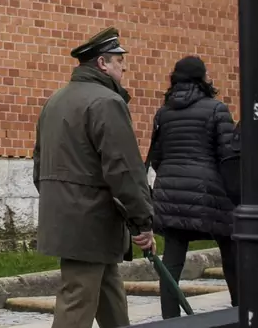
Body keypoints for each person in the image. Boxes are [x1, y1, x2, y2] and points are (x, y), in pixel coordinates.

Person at [34, 26, 156, 328]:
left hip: (71, 216)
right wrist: (142, 220)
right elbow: (125, 169)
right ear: (102, 63)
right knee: (77, 300)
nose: (124, 67)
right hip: (92, 219)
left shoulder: (56, 100)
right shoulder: (107, 102)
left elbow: (39, 165)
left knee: (108, 291)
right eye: (119, 61)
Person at [147, 55, 240, 320]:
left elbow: (157, 156)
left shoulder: (163, 113)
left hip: (170, 191)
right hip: (211, 193)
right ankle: (241, 313)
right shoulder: (216, 109)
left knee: (171, 264)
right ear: (202, 78)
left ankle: (171, 322)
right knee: (231, 256)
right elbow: (228, 156)